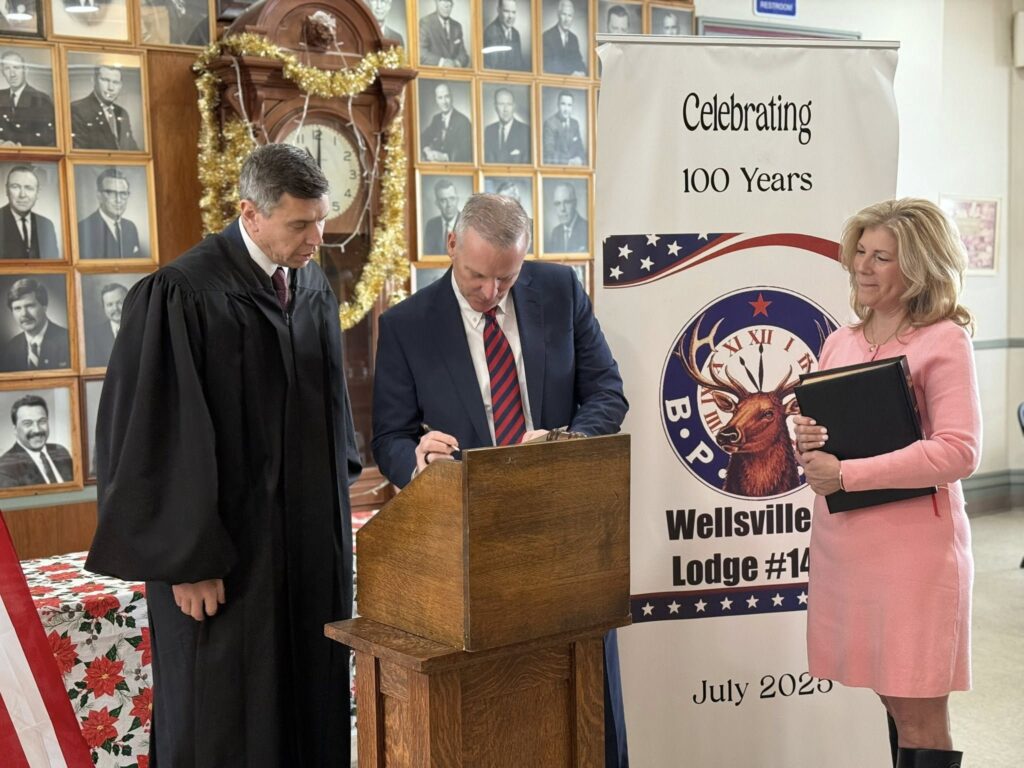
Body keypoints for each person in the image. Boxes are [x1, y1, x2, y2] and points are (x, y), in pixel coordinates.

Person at [85, 143, 362, 767]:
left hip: (307, 554)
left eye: (321, 221)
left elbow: (331, 413)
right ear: (250, 213)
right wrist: (188, 562)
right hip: (226, 565)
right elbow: (155, 436)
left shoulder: (310, 283)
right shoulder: (182, 294)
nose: (316, 238)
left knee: (309, 705)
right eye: (300, 224)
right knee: (224, 717)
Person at [371, 193, 629, 767]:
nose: (491, 292)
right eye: (477, 276)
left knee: (590, 709)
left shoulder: (559, 291)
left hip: (565, 530)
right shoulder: (407, 325)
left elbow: (607, 391)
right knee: (496, 714)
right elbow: (389, 437)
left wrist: (563, 441)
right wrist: (418, 461)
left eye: (506, 279)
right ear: (451, 245)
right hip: (470, 543)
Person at [793, 198, 981, 768]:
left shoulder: (943, 339)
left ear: (918, 267)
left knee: (919, 712)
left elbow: (959, 450)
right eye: (860, 252)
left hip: (913, 556)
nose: (862, 266)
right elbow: (828, 438)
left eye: (882, 257)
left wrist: (846, 473)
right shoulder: (840, 341)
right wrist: (807, 442)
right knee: (890, 698)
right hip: (847, 548)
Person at [0, 395, 73, 488]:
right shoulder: (5, 468)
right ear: (15, 429)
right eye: (27, 423)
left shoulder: (60, 451)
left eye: (42, 421)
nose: (37, 430)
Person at [0, 278, 69, 371]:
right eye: (17, 308)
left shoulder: (68, 341)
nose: (24, 314)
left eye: (30, 306)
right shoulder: (9, 349)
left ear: (44, 306)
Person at [77, 168, 143, 259]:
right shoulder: (83, 229)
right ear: (99, 196)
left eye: (123, 193)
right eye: (111, 193)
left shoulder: (130, 227)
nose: (118, 200)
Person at [70, 65, 138, 151]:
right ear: (94, 80)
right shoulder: (77, 109)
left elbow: (132, 149)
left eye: (116, 82)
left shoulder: (122, 113)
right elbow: (79, 153)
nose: (111, 88)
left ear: (121, 85)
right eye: (105, 80)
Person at [0, 165, 60, 259]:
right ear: (7, 190)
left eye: (29, 188)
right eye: (15, 187)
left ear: (37, 193)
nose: (22, 195)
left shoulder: (46, 225)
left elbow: (53, 263)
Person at [0, 51, 56, 147]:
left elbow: (46, 137)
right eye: (7, 69)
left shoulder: (41, 99)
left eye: (16, 67)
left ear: (25, 70)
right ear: (2, 73)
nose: (12, 74)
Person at [420, 82, 472, 163]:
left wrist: (444, 157)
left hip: (455, 167)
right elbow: (422, 138)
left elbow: (466, 152)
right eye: (440, 98)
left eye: (447, 97)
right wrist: (427, 150)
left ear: (452, 98)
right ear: (436, 100)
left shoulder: (463, 121)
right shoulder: (436, 119)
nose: (444, 102)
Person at [484, 87, 530, 164]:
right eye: (501, 104)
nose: (505, 109)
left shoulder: (526, 131)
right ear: (495, 107)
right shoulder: (489, 130)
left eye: (509, 104)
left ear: (514, 107)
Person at [85, 281, 126, 367]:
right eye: (110, 305)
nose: (115, 308)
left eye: (120, 302)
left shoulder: (144, 329)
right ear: (104, 308)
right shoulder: (93, 335)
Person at [418, 0, 469, 68]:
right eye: (443, 1)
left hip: (454, 73)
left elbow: (463, 55)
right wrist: (442, 62)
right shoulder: (425, 22)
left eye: (449, 1)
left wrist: (457, 63)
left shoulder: (457, 26)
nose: (446, 5)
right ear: (436, 2)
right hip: (433, 73)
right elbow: (420, 53)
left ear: (452, 4)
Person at [542, 0, 587, 76]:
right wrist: (571, 73)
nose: (567, 20)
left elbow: (579, 61)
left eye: (570, 16)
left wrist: (583, 72)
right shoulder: (547, 36)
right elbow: (549, 65)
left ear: (573, 18)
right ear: (558, 15)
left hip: (572, 82)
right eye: (564, 14)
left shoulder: (574, 39)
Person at [542, 90, 586, 165]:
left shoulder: (575, 123)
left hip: (575, 168)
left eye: (569, 105)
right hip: (556, 168)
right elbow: (549, 153)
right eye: (563, 104)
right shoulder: (549, 124)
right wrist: (568, 162)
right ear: (558, 105)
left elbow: (580, 149)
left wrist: (580, 159)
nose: (566, 109)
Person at [483, 0, 527, 71]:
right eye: (506, 11)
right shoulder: (490, 33)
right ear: (498, 10)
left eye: (513, 12)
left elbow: (519, 63)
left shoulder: (516, 33)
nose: (510, 16)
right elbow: (491, 67)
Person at [545, 181, 587, 252]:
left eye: (567, 202)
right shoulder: (555, 233)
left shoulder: (587, 229)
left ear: (575, 203)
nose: (562, 209)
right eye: (558, 203)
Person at [422, 178, 460, 255]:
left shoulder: (469, 223)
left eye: (452, 198)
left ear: (457, 200)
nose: (449, 205)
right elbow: (426, 255)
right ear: (437, 204)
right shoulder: (431, 225)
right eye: (443, 200)